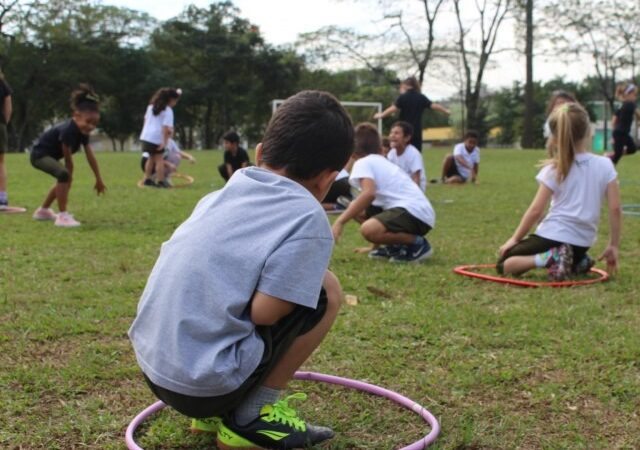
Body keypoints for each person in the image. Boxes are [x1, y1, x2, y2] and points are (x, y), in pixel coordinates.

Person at [128, 90, 354, 450]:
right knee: (327, 290)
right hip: (204, 385)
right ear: (329, 178)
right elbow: (264, 313)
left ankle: (211, 415)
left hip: (155, 371)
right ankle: (252, 417)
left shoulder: (219, 196)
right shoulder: (309, 216)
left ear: (260, 152)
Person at [497, 103, 621, 281]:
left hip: (553, 236)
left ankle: (550, 257)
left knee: (504, 264)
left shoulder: (556, 168)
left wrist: (515, 239)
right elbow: (615, 208)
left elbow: (536, 211)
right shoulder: (605, 164)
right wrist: (614, 245)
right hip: (582, 242)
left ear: (555, 137)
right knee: (567, 251)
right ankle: (577, 261)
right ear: (588, 132)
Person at [332, 123, 435, 263]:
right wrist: (373, 247)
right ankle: (395, 246)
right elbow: (374, 207)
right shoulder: (379, 161)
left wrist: (340, 222)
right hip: (420, 214)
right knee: (356, 207)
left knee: (367, 228)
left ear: (352, 152)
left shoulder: (363, 162)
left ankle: (417, 243)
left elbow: (369, 194)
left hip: (413, 213)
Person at [29, 84, 106, 228]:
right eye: (88, 122)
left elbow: (90, 157)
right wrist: (68, 177)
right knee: (64, 175)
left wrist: (99, 179)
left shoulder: (83, 133)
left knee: (63, 177)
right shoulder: (68, 131)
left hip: (49, 156)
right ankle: (63, 216)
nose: (91, 127)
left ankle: (43, 211)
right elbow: (68, 162)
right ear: (76, 116)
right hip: (39, 155)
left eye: (95, 124)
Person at [373, 76, 450, 152]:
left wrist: (381, 115)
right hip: (416, 131)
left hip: (403, 132)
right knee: (416, 153)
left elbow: (393, 108)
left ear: (406, 85)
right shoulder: (421, 97)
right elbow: (434, 106)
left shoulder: (403, 97)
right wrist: (445, 110)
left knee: (401, 152)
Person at [140, 87, 181, 188]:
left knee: (151, 158)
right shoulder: (168, 111)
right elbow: (166, 128)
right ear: (170, 100)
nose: (175, 103)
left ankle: (147, 179)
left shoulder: (150, 107)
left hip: (146, 137)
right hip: (156, 138)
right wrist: (164, 142)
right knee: (159, 160)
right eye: (175, 101)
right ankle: (161, 181)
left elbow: (145, 121)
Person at [610, 82, 640, 165]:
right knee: (617, 156)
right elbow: (639, 114)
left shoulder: (620, 105)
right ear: (627, 94)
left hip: (621, 133)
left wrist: (614, 131)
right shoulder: (630, 104)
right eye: (634, 95)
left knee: (632, 149)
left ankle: (611, 156)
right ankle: (608, 166)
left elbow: (613, 121)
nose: (635, 98)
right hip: (621, 133)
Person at [387, 121, 426, 191]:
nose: (392, 135)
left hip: (412, 190)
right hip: (399, 187)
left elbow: (416, 178)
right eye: (391, 133)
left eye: (396, 133)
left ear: (407, 138)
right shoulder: (391, 154)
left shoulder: (413, 153)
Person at [0, 70, 12, 210]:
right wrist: (4, 122)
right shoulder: (2, 83)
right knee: (0, 162)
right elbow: (8, 106)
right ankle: (2, 198)